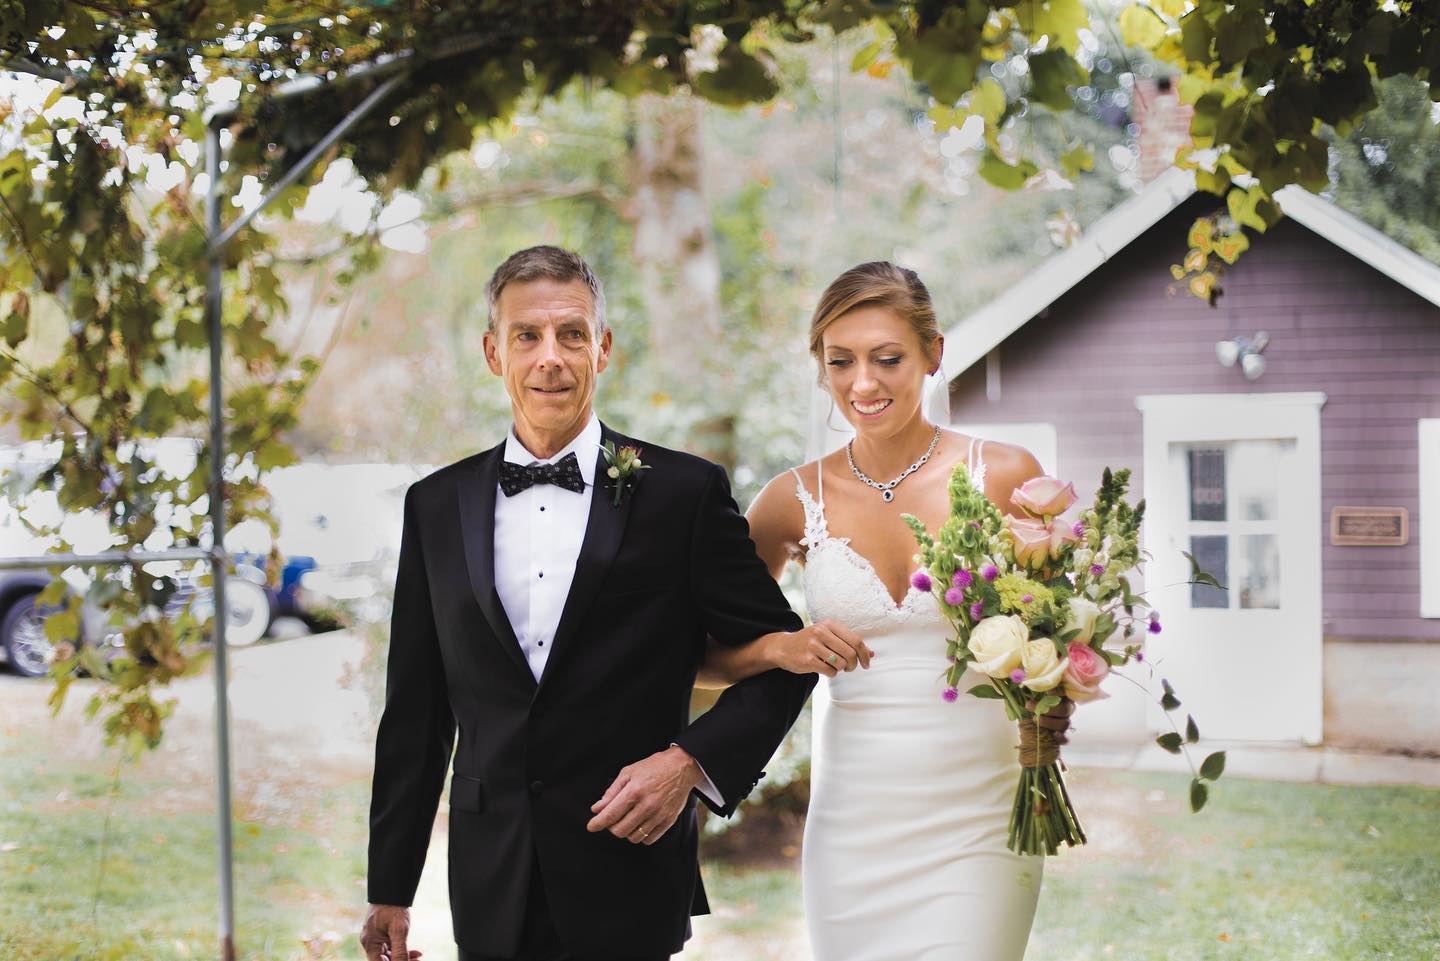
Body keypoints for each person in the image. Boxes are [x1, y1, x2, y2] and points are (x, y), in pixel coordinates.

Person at [360, 246, 862, 961]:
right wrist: (390, 887)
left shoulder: (684, 494)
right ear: (493, 353)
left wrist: (688, 763)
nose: (550, 357)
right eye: (526, 336)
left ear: (603, 348)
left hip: (630, 870)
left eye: (571, 334)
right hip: (490, 874)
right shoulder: (434, 506)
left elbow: (788, 658)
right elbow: (416, 710)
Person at [701, 261, 1073, 961]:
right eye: (841, 361)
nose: (863, 383)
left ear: (933, 353)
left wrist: (1056, 701)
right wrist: (781, 648)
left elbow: (1057, 635)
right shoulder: (789, 501)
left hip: (983, 814)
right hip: (853, 823)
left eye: (888, 358)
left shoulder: (1009, 475)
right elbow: (703, 658)